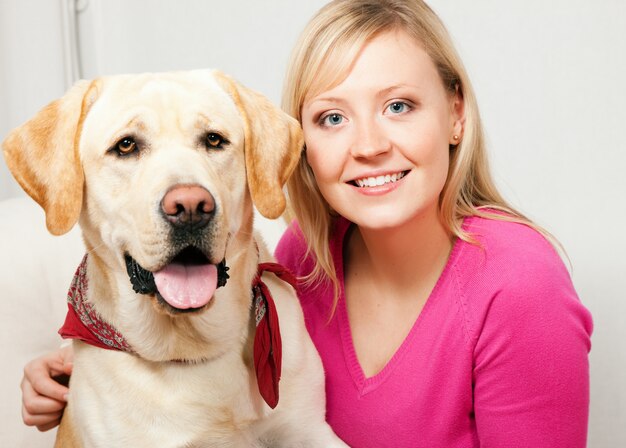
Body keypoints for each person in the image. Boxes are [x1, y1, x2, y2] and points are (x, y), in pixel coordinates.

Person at [20, 0, 593, 446]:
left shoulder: (520, 288)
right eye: (332, 117)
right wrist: (87, 360)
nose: (368, 145)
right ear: (304, 141)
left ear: (456, 114)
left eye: (399, 105)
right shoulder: (300, 260)